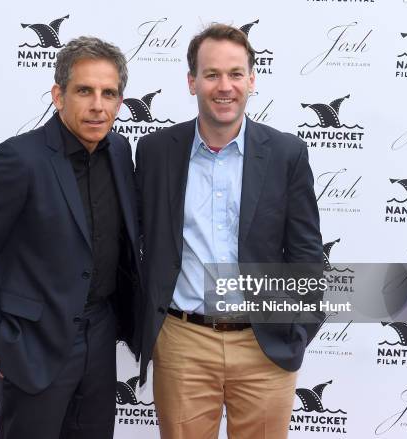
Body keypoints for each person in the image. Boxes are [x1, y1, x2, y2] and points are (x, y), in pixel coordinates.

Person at [135, 24, 323, 439]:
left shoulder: (287, 154)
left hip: (265, 345)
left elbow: (308, 255)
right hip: (183, 341)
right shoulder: (154, 151)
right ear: (192, 81)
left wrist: (297, 332)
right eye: (212, 74)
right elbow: (137, 245)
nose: (225, 86)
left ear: (252, 80)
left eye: (236, 74)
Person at [0, 36, 141, 439]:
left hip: (100, 339)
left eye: (109, 93)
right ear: (59, 95)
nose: (98, 105)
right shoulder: (19, 159)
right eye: (84, 91)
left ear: (121, 102)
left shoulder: (121, 152)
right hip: (31, 347)